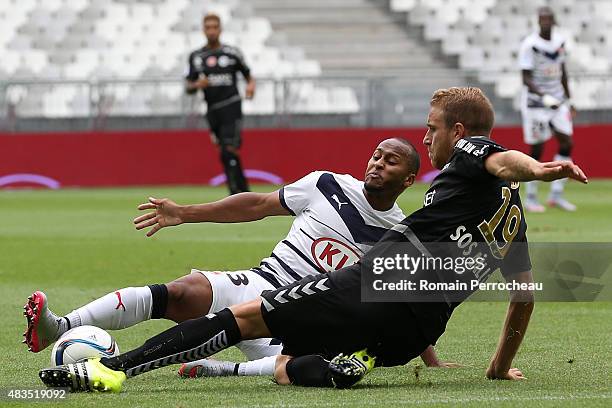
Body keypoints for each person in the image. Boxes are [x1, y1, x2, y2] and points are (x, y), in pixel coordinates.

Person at [38, 87, 587, 392]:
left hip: (376, 282)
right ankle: (353, 362)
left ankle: (113, 370)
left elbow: (502, 158)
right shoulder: (514, 226)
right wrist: (497, 366)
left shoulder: (472, 154)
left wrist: (539, 170)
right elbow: (523, 296)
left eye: (431, 127)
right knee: (304, 360)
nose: (428, 135)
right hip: (415, 327)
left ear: (459, 132)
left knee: (243, 320)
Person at [26, 138, 451, 378]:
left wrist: (428, 360)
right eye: (376, 155)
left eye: (390, 162)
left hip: (305, 314)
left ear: (410, 179)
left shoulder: (397, 235)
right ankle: (61, 327)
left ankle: (220, 369)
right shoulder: (327, 184)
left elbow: (397, 305)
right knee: (182, 291)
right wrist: (185, 214)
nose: (377, 164)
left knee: (300, 366)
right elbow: (257, 205)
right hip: (263, 281)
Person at [186, 13, 255, 195]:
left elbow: (248, 75)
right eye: (208, 27)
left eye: (214, 27)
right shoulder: (197, 57)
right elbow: (188, 86)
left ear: (220, 29)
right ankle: (244, 190)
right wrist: (196, 85)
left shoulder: (232, 53)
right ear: (203, 30)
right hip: (212, 110)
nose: (211, 31)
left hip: (231, 106)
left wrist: (250, 87)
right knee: (224, 152)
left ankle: (235, 193)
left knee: (229, 148)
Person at [519, 6, 577, 212]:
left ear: (553, 21)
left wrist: (569, 99)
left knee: (567, 143)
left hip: (558, 101)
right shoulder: (530, 45)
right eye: (541, 18)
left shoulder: (560, 41)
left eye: (548, 18)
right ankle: (531, 197)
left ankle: (556, 194)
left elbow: (562, 71)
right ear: (538, 21)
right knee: (537, 149)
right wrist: (543, 96)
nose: (545, 22)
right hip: (536, 102)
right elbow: (525, 77)